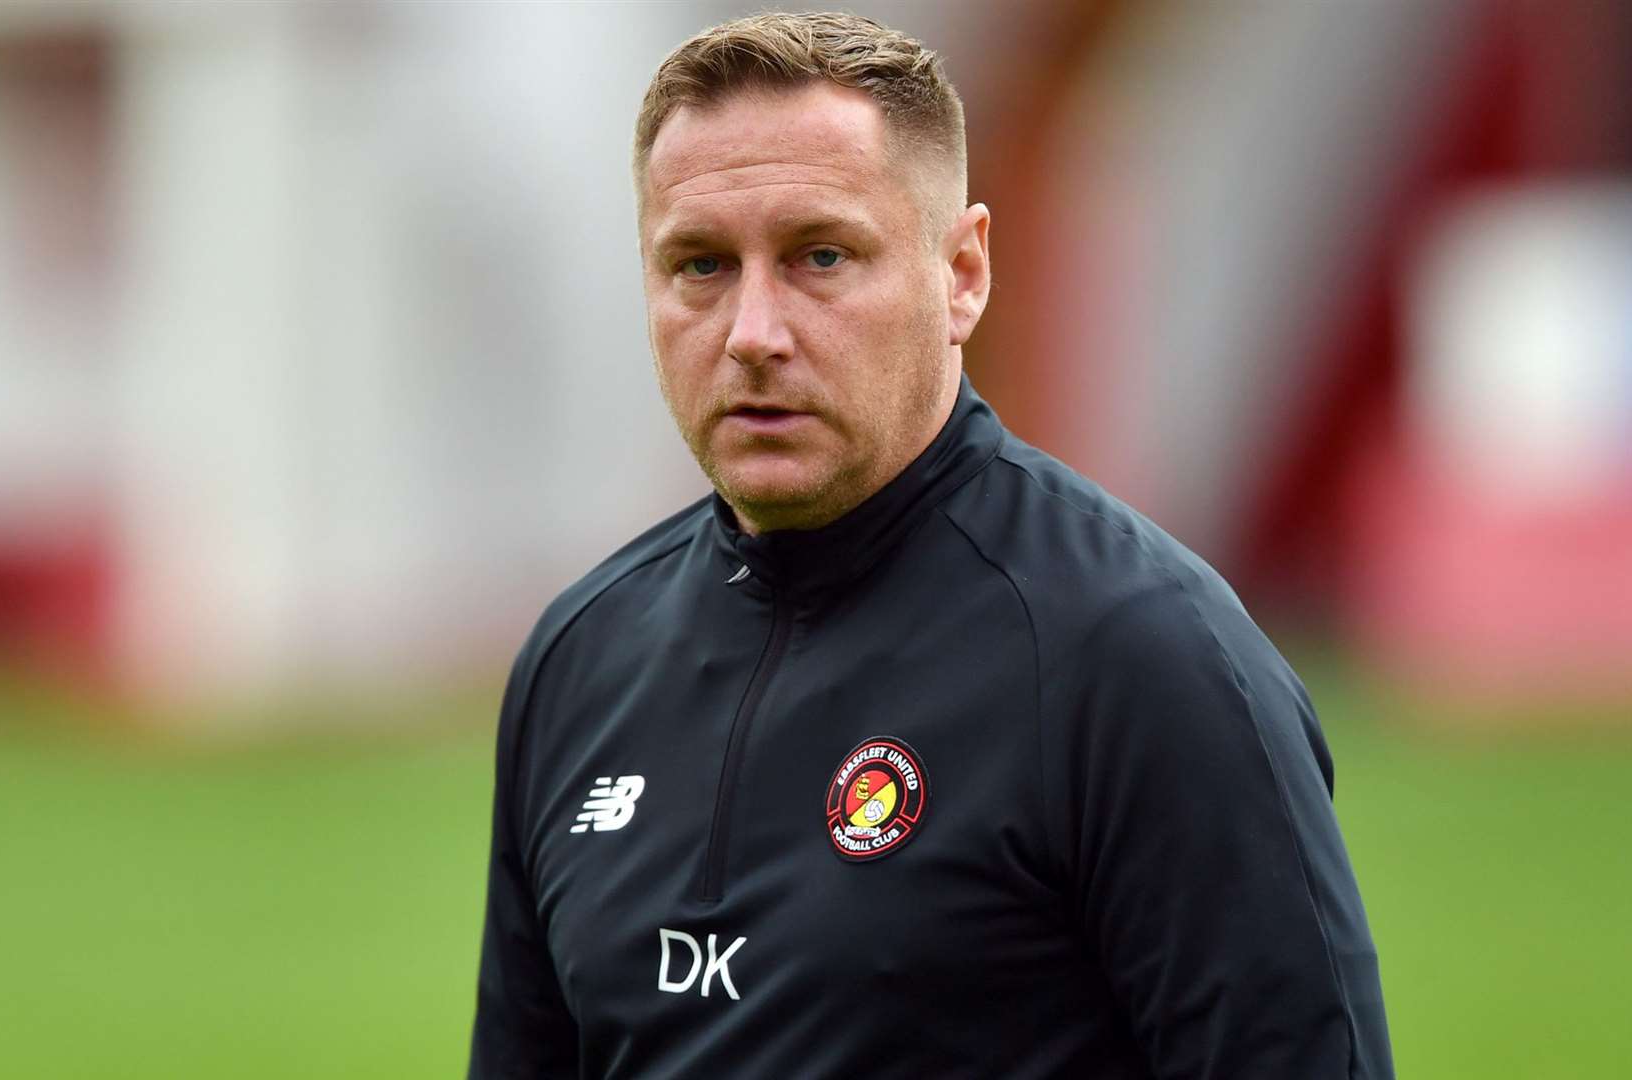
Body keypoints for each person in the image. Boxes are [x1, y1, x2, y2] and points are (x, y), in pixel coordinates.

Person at [468, 11, 1393, 1078]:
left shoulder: (1141, 657)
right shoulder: (580, 661)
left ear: (961, 274)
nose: (753, 332)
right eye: (701, 265)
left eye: (820, 256)